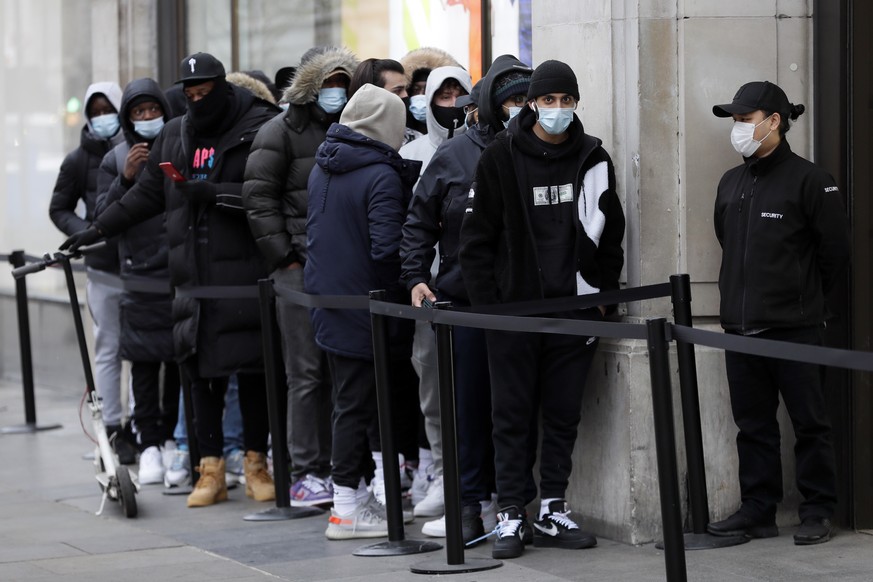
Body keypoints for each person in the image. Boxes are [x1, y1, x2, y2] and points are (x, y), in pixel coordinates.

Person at [61, 52, 280, 508]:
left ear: (222, 87)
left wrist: (215, 193)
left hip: (243, 278)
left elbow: (270, 193)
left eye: (206, 93)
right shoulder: (177, 132)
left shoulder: (259, 124)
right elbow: (144, 196)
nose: (198, 102)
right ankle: (210, 469)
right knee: (198, 376)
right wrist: (96, 231)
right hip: (193, 280)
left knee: (254, 374)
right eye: (191, 94)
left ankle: (256, 463)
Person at [459, 59, 626, 559]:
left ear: (576, 103)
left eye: (566, 100)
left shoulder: (593, 157)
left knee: (562, 414)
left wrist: (598, 303)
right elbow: (476, 242)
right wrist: (492, 312)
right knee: (509, 415)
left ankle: (553, 506)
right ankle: (512, 511)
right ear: (532, 103)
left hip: (573, 313)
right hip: (513, 314)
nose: (557, 110)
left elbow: (610, 233)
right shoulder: (500, 157)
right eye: (548, 100)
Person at [706, 81, 851, 545]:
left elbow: (834, 255)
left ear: (774, 122)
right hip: (739, 328)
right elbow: (726, 241)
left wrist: (806, 304)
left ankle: (817, 510)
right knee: (753, 428)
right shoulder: (731, 182)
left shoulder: (812, 180)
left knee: (811, 423)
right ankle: (757, 509)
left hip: (797, 328)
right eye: (735, 120)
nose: (738, 128)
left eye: (745, 119)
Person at [401, 55, 532, 543]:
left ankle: (513, 504)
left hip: (521, 303)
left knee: (515, 408)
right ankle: (469, 505)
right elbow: (418, 220)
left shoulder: (539, 149)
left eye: (526, 99)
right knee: (468, 411)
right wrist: (415, 276)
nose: (519, 108)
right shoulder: (454, 155)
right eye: (511, 100)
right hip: (464, 301)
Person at [243, 46, 358, 507]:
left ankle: (340, 467)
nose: (336, 93)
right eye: (328, 83)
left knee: (339, 368)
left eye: (342, 83)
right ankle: (307, 469)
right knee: (305, 372)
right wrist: (285, 256)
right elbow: (259, 198)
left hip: (340, 266)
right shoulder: (280, 131)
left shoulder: (350, 127)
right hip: (298, 268)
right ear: (311, 86)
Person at [304, 84, 421, 539]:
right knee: (357, 406)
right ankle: (346, 508)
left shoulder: (324, 166)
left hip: (332, 301)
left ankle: (362, 498)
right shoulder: (381, 175)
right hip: (367, 306)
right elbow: (387, 249)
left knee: (350, 403)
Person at [49, 81, 139, 465]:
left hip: (140, 265)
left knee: (141, 351)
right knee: (107, 347)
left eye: (108, 109)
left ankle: (140, 424)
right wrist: (83, 234)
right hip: (102, 267)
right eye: (95, 110)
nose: (102, 117)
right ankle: (112, 428)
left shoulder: (138, 150)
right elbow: (60, 207)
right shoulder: (76, 160)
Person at [94, 77, 179, 485]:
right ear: (128, 119)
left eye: (153, 110)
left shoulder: (179, 146)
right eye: (138, 113)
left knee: (179, 365)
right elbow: (104, 219)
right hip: (140, 277)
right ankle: (148, 445)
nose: (147, 119)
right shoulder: (115, 158)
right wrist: (125, 178)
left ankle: (172, 443)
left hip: (178, 275)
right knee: (144, 367)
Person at [398, 64, 472, 521]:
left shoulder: (483, 150)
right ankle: (445, 475)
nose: (449, 106)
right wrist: (413, 275)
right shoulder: (412, 152)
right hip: (428, 289)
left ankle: (475, 485)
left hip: (470, 288)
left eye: (456, 95)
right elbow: (411, 223)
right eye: (439, 97)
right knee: (432, 388)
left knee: (473, 391)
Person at [399, 47, 460, 145]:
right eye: (416, 89)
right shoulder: (400, 134)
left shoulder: (452, 130)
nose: (421, 94)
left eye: (427, 89)